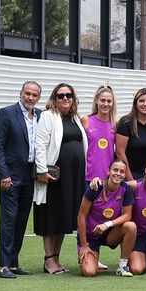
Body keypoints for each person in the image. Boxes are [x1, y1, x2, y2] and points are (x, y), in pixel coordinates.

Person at [33, 83, 89, 276]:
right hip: (54, 174)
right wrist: (41, 169)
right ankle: (49, 259)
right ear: (54, 99)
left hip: (74, 176)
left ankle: (56, 257)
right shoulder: (48, 116)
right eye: (61, 95)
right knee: (52, 215)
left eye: (69, 95)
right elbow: (39, 144)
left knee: (65, 216)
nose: (65, 98)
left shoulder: (75, 118)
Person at [0, 81, 42, 278]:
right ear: (21, 93)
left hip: (29, 175)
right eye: (27, 93)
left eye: (34, 95)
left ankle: (13, 263)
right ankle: (3, 265)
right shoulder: (6, 113)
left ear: (38, 97)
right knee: (9, 220)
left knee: (21, 220)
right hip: (10, 176)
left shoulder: (39, 115)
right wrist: (3, 174)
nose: (30, 97)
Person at [77, 160, 137, 277]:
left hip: (110, 233)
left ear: (125, 175)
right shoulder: (95, 187)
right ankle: (92, 255)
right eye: (115, 170)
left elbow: (127, 215)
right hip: (91, 236)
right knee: (89, 272)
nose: (118, 173)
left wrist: (107, 225)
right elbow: (81, 216)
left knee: (131, 226)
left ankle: (122, 267)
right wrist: (84, 245)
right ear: (108, 171)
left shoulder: (125, 188)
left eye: (121, 171)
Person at [115, 87, 146, 181]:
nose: (145, 104)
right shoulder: (126, 123)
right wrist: (131, 180)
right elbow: (120, 153)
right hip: (126, 173)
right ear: (136, 103)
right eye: (141, 101)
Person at [82, 84, 118, 185]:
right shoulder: (86, 120)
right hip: (88, 176)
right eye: (102, 100)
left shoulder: (116, 124)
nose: (106, 104)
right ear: (96, 101)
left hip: (108, 178)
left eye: (109, 101)